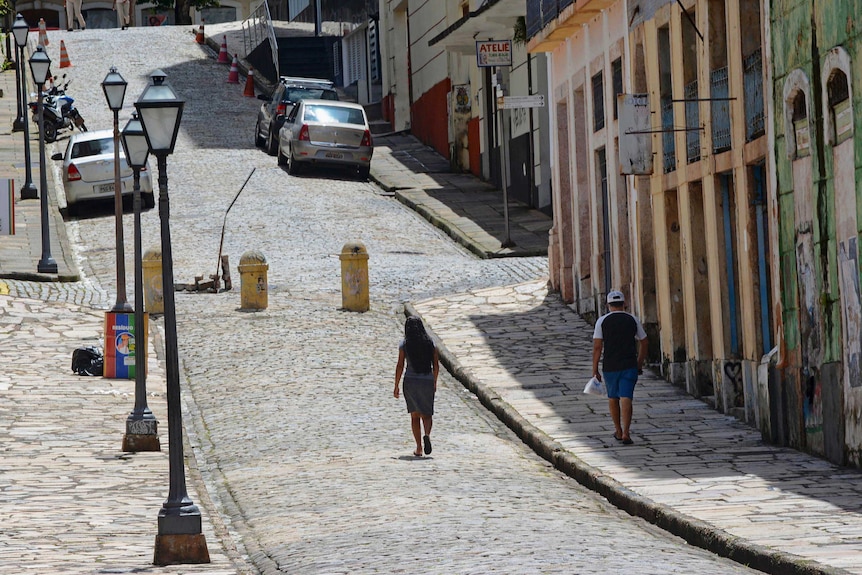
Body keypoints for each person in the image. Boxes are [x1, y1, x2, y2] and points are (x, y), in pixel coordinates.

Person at [591, 290, 648, 445]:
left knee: (613, 397)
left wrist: (595, 369)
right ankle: (627, 432)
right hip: (629, 364)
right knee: (626, 396)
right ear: (624, 304)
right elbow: (644, 341)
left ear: (608, 305)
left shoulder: (602, 321)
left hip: (610, 365)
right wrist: (639, 362)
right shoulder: (632, 319)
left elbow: (597, 347)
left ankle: (618, 430)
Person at [394, 317, 439, 457]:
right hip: (427, 380)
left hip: (411, 381)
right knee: (427, 413)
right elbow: (436, 365)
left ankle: (419, 447)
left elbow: (400, 365)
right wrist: (434, 381)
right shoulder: (430, 343)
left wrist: (396, 385)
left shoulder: (404, 344)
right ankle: (427, 434)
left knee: (414, 415)